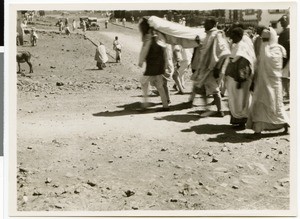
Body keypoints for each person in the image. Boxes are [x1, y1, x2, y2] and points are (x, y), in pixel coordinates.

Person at [246, 27, 289, 134]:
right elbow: (259, 64)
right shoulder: (264, 48)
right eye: (262, 39)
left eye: (265, 39)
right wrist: (254, 79)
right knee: (261, 106)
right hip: (261, 83)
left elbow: (271, 63)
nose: (263, 41)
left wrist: (264, 45)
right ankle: (258, 130)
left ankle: (284, 125)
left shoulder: (277, 49)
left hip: (272, 84)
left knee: (274, 106)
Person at [189, 18, 231, 117]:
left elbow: (224, 52)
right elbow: (206, 49)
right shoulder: (209, 35)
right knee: (201, 87)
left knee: (214, 89)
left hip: (211, 68)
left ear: (212, 24)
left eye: (206, 23)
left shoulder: (217, 34)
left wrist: (217, 67)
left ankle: (220, 111)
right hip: (204, 67)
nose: (204, 25)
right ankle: (207, 109)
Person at [224, 27, 256, 129]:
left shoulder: (242, 47)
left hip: (239, 79)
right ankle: (239, 121)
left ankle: (241, 122)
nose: (231, 37)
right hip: (236, 78)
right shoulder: (238, 45)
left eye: (233, 35)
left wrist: (240, 79)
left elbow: (243, 64)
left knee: (241, 100)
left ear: (238, 36)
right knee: (238, 100)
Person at [138, 18, 169, 111]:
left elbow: (144, 51)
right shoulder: (158, 37)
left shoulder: (148, 38)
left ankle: (145, 105)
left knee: (143, 82)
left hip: (151, 67)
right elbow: (165, 52)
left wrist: (140, 62)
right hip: (159, 66)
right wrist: (165, 65)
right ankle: (165, 105)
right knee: (160, 86)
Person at [278, 14, 290, 99]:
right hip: (287, 56)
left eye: (282, 22)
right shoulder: (287, 31)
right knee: (285, 76)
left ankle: (288, 93)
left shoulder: (286, 32)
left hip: (287, 57)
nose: (281, 23)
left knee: (285, 76)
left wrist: (284, 60)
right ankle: (287, 93)